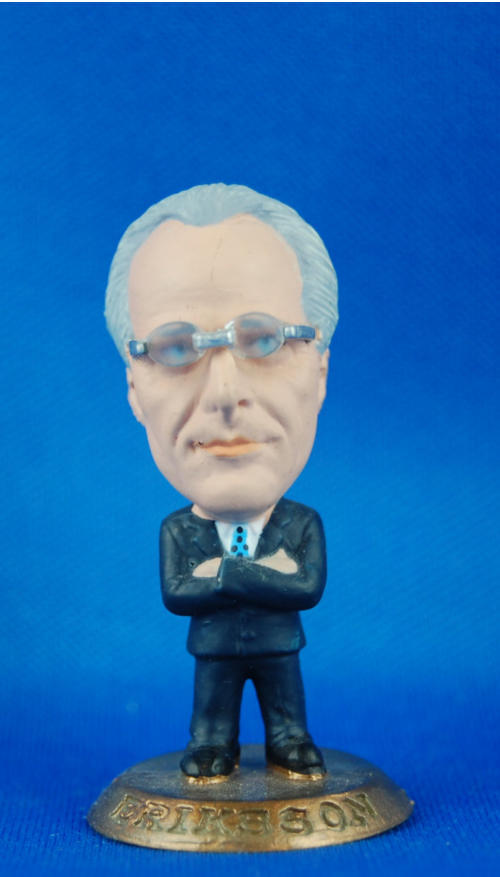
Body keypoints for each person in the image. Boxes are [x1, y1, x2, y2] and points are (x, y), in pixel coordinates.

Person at [105, 184, 338, 780]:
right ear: (134, 389)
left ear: (320, 372)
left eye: (264, 339)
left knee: (287, 712)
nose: (225, 394)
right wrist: (259, 574)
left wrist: (224, 574)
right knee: (212, 716)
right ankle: (212, 747)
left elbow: (306, 585)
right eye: (175, 348)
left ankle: (289, 740)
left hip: (279, 644)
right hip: (213, 649)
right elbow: (178, 593)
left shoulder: (301, 523)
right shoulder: (178, 530)